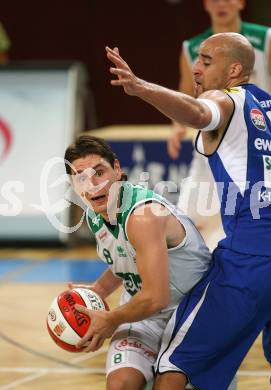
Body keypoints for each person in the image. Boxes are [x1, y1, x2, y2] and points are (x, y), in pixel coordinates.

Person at [106, 32, 271, 389]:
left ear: (235, 70)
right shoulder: (267, 106)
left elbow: (198, 113)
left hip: (253, 255)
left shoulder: (225, 99)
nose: (196, 69)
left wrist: (141, 88)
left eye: (207, 61)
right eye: (196, 59)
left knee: (174, 361)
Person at [64, 135, 213, 390]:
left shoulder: (143, 216)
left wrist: (110, 319)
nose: (92, 184)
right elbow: (126, 258)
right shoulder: (95, 215)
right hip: (145, 315)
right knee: (121, 385)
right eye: (81, 177)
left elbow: (157, 297)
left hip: (192, 314)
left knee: (167, 386)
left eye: (99, 172)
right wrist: (99, 291)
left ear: (118, 169)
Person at [168, 0, 271, 251]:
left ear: (241, 2)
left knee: (249, 226)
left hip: (254, 145)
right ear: (205, 4)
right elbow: (185, 95)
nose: (221, 4)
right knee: (184, 227)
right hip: (211, 144)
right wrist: (176, 126)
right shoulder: (191, 48)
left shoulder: (265, 38)